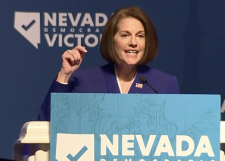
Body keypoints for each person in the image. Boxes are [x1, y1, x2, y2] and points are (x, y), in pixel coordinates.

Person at [38, 6, 180, 121]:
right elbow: (47, 122)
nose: (133, 43)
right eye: (125, 35)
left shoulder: (164, 84)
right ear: (111, 40)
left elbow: (179, 130)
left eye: (140, 36)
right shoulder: (85, 82)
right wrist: (64, 75)